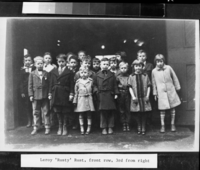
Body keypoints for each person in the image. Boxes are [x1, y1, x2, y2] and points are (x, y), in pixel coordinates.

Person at [152, 54, 181, 133]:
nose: (160, 63)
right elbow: (154, 83)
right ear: (155, 62)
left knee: (172, 108)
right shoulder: (154, 71)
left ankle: (172, 124)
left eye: (161, 61)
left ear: (163, 61)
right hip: (161, 93)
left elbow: (174, 77)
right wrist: (155, 93)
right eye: (158, 62)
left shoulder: (168, 68)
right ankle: (162, 125)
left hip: (170, 91)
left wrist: (177, 87)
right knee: (162, 110)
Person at [94, 58, 119, 135]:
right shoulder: (97, 75)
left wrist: (116, 93)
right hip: (101, 95)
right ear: (100, 65)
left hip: (110, 95)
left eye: (107, 64)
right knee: (103, 112)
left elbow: (115, 85)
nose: (105, 66)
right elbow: (94, 85)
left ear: (109, 65)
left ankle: (110, 126)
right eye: (103, 64)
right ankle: (104, 127)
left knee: (111, 111)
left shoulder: (112, 75)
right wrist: (96, 92)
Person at [50, 54, 74, 136]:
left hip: (65, 93)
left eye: (62, 62)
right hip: (56, 92)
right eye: (59, 62)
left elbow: (72, 84)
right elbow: (51, 83)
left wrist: (71, 93)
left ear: (66, 62)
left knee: (65, 110)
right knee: (57, 110)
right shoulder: (53, 72)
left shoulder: (69, 72)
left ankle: (64, 126)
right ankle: (60, 126)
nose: (61, 63)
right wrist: (50, 93)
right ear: (57, 62)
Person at [28, 56, 51, 135]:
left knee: (46, 112)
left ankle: (47, 127)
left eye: (41, 63)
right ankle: (36, 127)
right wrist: (31, 95)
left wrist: (49, 93)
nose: (40, 65)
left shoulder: (46, 73)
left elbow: (49, 85)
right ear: (35, 64)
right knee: (36, 112)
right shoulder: (32, 74)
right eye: (38, 64)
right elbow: (30, 85)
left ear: (43, 64)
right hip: (36, 96)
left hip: (44, 96)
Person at [128, 59, 152, 135]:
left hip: (144, 97)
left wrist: (147, 96)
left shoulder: (145, 76)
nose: (138, 68)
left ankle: (143, 126)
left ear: (142, 66)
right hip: (136, 98)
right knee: (137, 113)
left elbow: (148, 86)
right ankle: (139, 125)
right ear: (133, 67)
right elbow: (130, 87)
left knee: (144, 113)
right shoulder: (131, 76)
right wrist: (133, 96)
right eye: (136, 66)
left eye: (139, 66)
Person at [73, 66, 95, 135]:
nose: (83, 74)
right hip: (81, 99)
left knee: (89, 114)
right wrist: (75, 100)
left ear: (88, 73)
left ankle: (89, 127)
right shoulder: (78, 82)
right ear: (79, 73)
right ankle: (82, 128)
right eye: (81, 72)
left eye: (85, 72)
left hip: (89, 99)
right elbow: (76, 92)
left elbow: (94, 90)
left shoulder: (91, 81)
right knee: (81, 114)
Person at [20, 54, 35, 127]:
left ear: (31, 61)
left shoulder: (34, 68)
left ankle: (35, 121)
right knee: (27, 105)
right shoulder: (22, 70)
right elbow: (21, 82)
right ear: (23, 61)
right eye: (26, 60)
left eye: (29, 60)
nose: (27, 62)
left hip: (33, 89)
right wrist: (22, 91)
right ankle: (29, 120)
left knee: (34, 105)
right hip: (26, 90)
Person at [43, 52, 57, 127]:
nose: (47, 59)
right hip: (43, 89)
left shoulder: (53, 68)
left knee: (51, 105)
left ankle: (52, 121)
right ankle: (44, 122)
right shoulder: (41, 67)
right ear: (43, 59)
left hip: (50, 88)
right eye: (46, 58)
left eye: (49, 58)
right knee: (44, 106)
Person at [116, 61, 131, 132]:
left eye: (125, 68)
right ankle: (123, 123)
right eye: (122, 68)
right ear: (119, 68)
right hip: (120, 94)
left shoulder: (129, 76)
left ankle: (127, 123)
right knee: (121, 109)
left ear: (127, 68)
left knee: (127, 109)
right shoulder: (117, 77)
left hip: (128, 94)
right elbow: (115, 86)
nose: (123, 69)